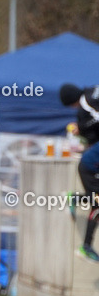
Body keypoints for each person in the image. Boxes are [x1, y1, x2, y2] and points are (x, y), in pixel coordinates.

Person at [60, 83, 99, 261]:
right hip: (89, 167)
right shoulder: (91, 93)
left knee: (96, 201)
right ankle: (86, 246)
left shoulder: (86, 106)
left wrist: (81, 129)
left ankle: (74, 198)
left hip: (89, 165)